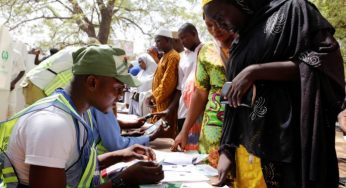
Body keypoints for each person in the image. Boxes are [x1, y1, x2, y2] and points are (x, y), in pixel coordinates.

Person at [203, 0, 345, 187]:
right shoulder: (240, 41)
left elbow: (324, 61)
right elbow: (232, 99)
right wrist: (227, 150)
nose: (220, 26)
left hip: (291, 143)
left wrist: (256, 71)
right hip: (248, 151)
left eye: (220, 17)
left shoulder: (294, 10)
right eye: (213, 22)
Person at [1, 45, 163, 187]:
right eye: (118, 88)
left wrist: (119, 156)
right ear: (92, 82)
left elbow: (72, 167)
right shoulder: (53, 125)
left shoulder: (76, 114)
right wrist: (123, 180)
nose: (120, 96)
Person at [172, 16, 236, 167]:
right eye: (209, 25)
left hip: (245, 119)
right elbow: (200, 92)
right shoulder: (207, 50)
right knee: (210, 170)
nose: (215, 29)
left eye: (221, 22)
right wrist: (184, 131)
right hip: (214, 124)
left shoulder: (253, 43)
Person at [148, 28, 180, 138]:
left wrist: (153, 96)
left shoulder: (173, 57)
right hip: (159, 102)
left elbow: (167, 83)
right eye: (156, 41)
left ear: (168, 40)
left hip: (166, 103)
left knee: (164, 136)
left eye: (158, 41)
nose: (156, 44)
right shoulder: (164, 56)